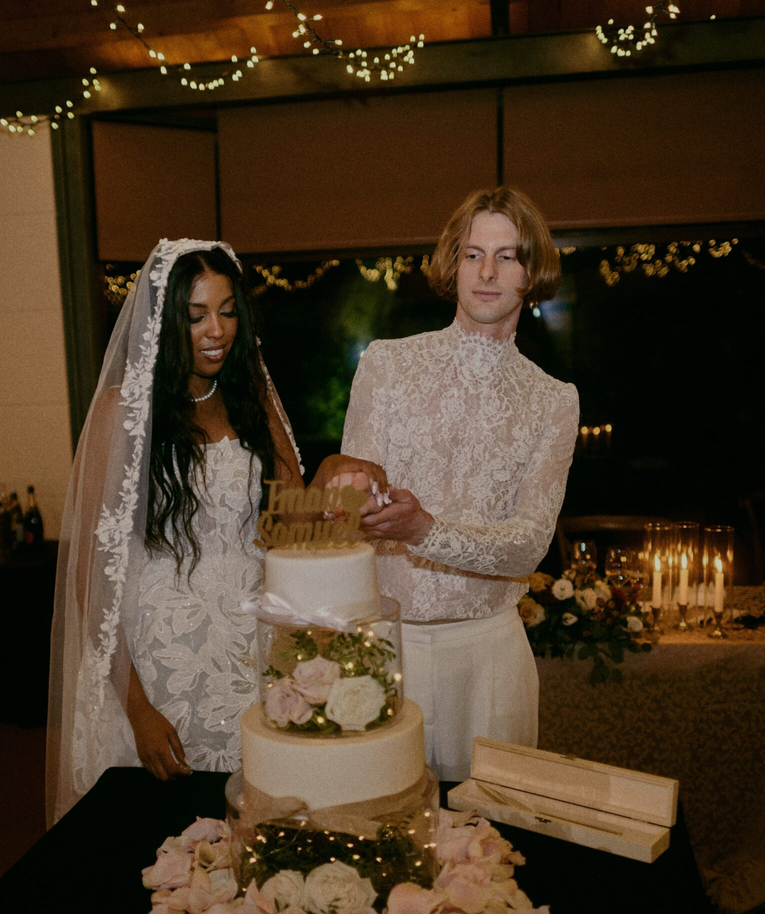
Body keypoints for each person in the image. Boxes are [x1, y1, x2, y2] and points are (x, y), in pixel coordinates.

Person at [46, 240, 309, 824]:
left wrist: (342, 490)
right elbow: (94, 575)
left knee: (254, 828)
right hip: (158, 658)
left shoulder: (252, 401)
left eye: (227, 310)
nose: (217, 330)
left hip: (250, 653)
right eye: (195, 316)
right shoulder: (121, 415)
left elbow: (293, 523)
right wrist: (136, 706)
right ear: (164, 324)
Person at [338, 186, 579, 781]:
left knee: (488, 853)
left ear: (533, 270)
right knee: (387, 839)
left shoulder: (554, 400)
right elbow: (351, 508)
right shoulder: (386, 364)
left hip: (492, 658)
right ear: (453, 264)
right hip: (387, 649)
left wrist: (425, 529)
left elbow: (529, 545)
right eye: (473, 254)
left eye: (508, 255)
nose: (488, 272)